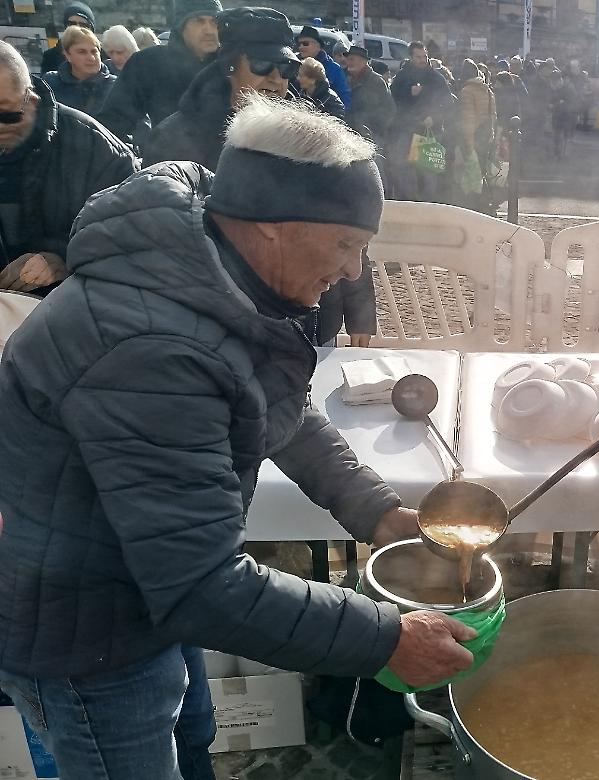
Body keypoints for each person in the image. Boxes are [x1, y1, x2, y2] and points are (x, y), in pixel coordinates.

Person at [0, 93, 475, 780]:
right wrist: (386, 638)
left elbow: (277, 406)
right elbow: (201, 586)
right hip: (83, 630)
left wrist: (376, 511)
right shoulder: (151, 348)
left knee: (191, 738)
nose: (352, 272)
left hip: (141, 581)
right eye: (347, 244)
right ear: (278, 226)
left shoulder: (210, 267)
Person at [0, 41, 137, 297]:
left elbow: (131, 229)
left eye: (6, 115)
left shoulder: (95, 146)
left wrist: (64, 256)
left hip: (67, 304)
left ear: (31, 100)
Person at [145, 7, 300, 171]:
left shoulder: (302, 138)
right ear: (229, 66)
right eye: (262, 64)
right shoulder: (174, 140)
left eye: (287, 67)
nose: (276, 78)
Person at [98, 0, 222, 145]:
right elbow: (113, 122)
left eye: (214, 21)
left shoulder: (233, 65)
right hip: (168, 155)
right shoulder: (149, 63)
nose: (209, 30)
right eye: (199, 21)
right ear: (181, 25)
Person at [389, 40, 452, 201]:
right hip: (406, 130)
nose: (422, 60)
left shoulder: (436, 78)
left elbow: (448, 103)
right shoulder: (402, 77)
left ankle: (428, 204)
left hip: (430, 131)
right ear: (411, 57)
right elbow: (392, 100)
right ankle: (407, 202)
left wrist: (434, 117)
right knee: (404, 169)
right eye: (418, 57)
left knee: (428, 172)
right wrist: (409, 92)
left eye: (424, 56)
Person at [43, 25, 116, 116]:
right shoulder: (50, 84)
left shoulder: (115, 86)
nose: (91, 58)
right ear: (67, 55)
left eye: (94, 51)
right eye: (82, 52)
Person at [343, 44, 395, 146]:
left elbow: (389, 109)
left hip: (371, 136)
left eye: (352, 59)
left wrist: (371, 127)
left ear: (363, 62)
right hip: (346, 133)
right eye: (348, 59)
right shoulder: (342, 77)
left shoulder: (376, 82)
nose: (348, 62)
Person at [295, 24, 351, 109]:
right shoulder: (294, 65)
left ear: (318, 46)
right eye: (299, 44)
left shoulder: (334, 69)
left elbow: (344, 99)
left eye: (305, 43)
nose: (301, 47)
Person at [39, 2, 97, 75]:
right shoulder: (51, 56)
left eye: (83, 25)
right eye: (72, 24)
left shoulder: (104, 54)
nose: (77, 28)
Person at [549, 69, 576, 159]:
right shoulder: (553, 88)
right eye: (553, 81)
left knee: (564, 136)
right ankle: (557, 154)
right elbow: (550, 99)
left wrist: (558, 104)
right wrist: (553, 104)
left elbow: (571, 102)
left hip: (566, 116)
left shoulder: (568, 88)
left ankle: (563, 155)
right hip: (556, 116)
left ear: (560, 79)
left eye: (555, 81)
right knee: (556, 136)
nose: (554, 83)